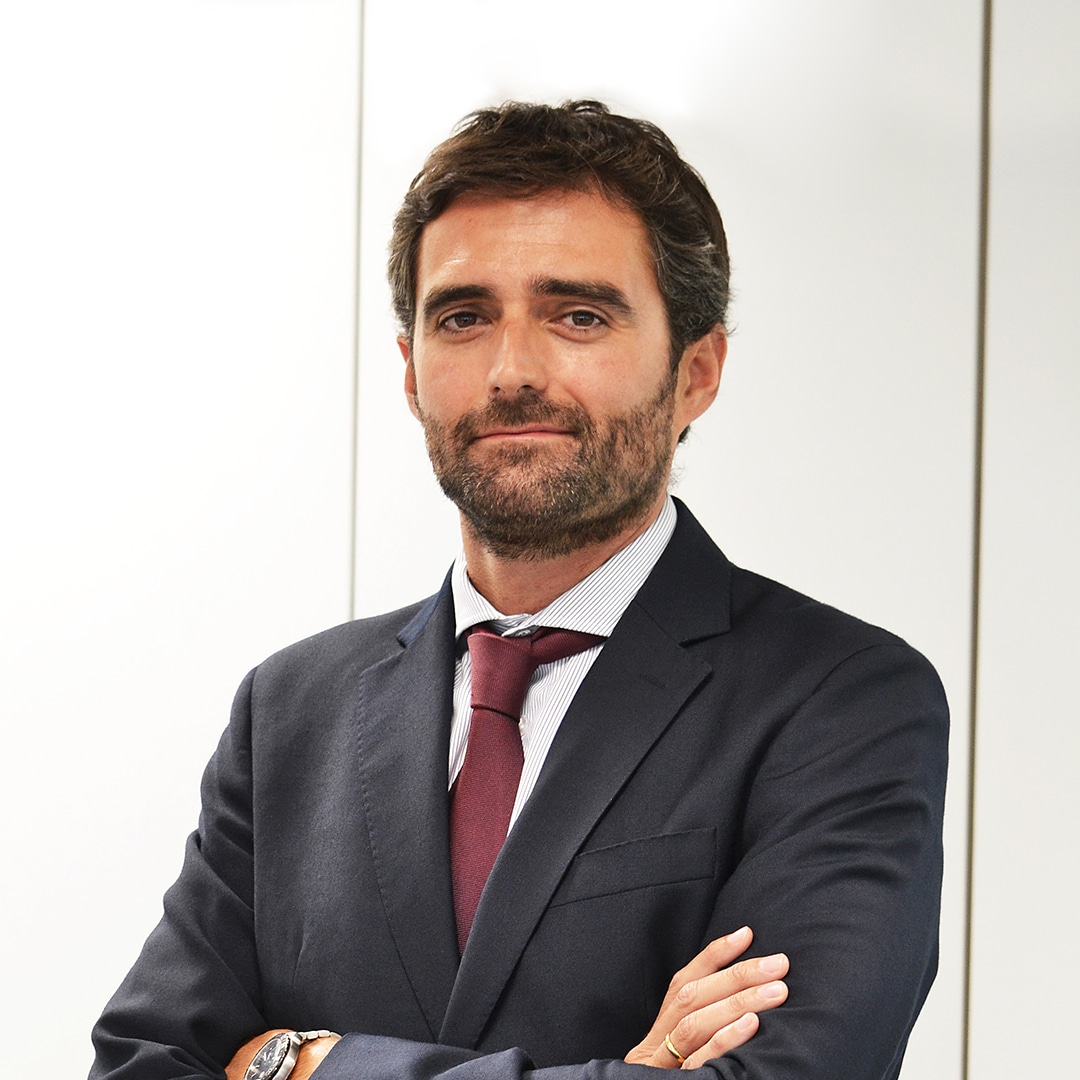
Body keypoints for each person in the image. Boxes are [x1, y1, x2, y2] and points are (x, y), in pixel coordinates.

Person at [90, 100, 948, 1080]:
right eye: (463, 318)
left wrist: (302, 1064)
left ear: (696, 372)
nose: (511, 372)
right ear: (411, 371)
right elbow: (139, 1063)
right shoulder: (289, 710)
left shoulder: (839, 701)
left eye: (578, 315)